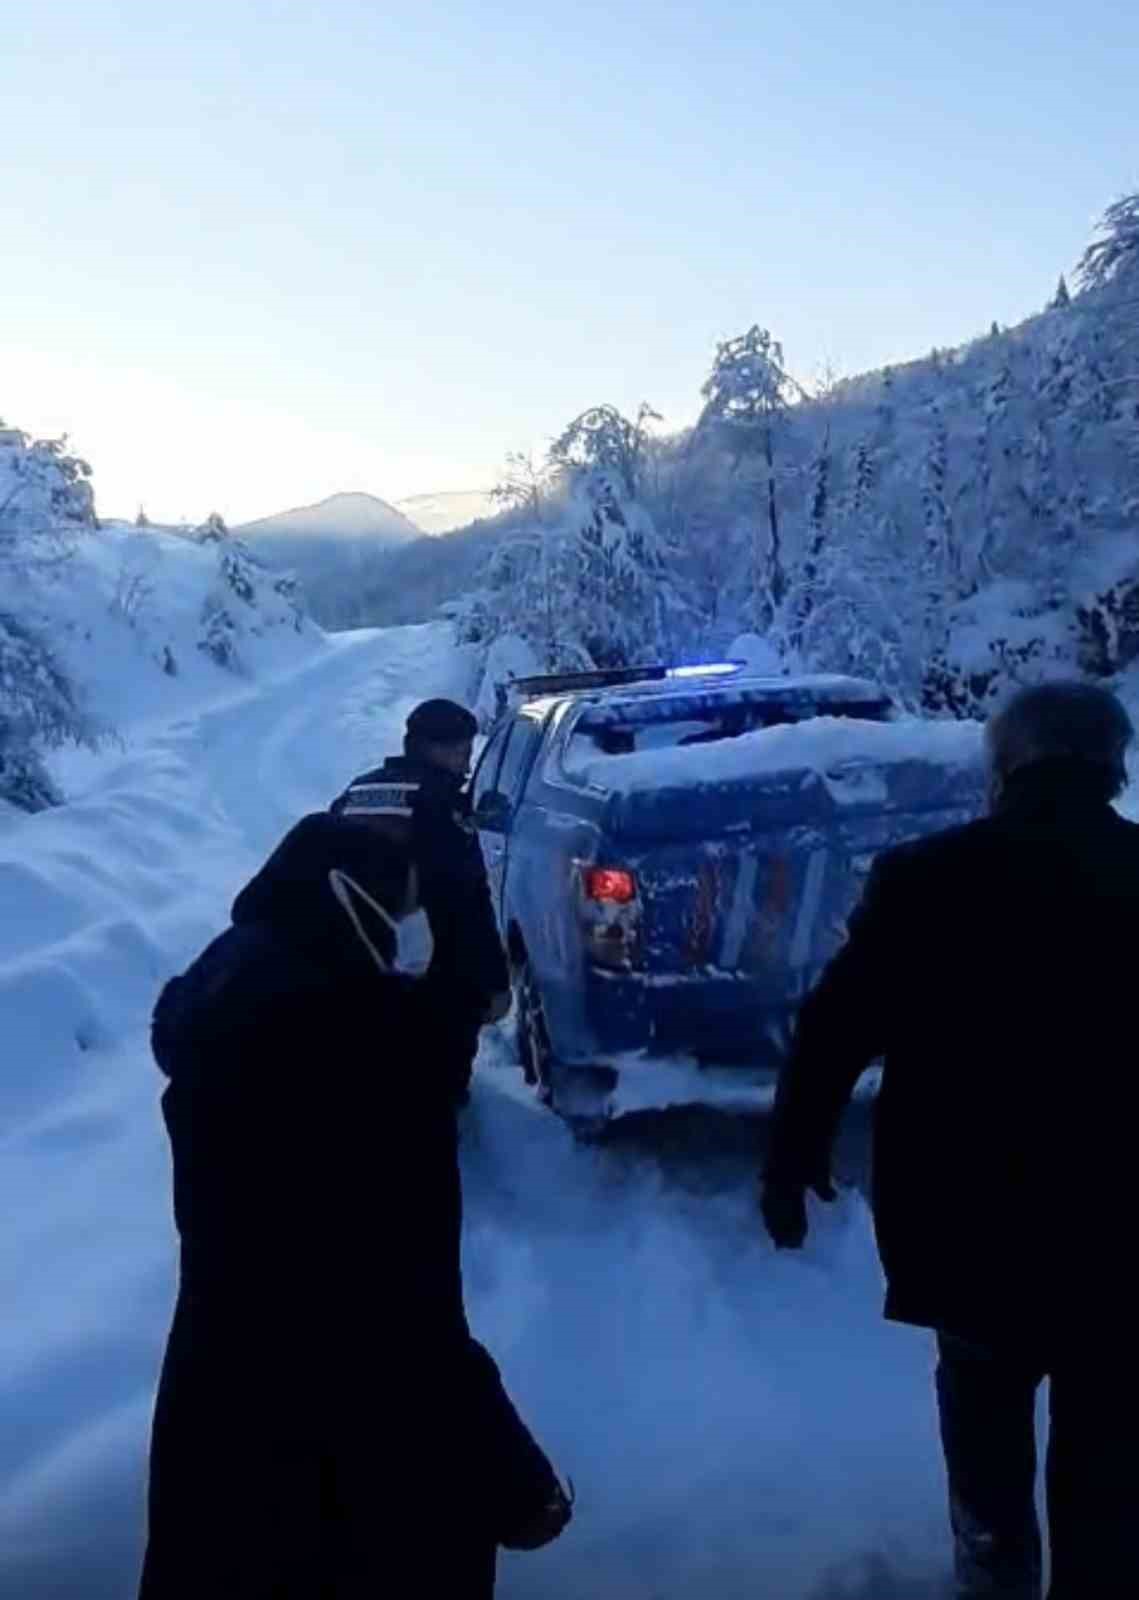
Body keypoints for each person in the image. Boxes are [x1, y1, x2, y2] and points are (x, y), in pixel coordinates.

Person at [760, 680, 1139, 1600]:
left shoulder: (924, 878)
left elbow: (834, 1028)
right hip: (1122, 1234)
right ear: (1111, 765)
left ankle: (993, 1570)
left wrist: (792, 1155)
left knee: (983, 1425)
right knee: (1109, 1452)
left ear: (1003, 766)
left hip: (969, 1227)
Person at [139, 807, 571, 1599]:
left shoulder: (232, 1019)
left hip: (222, 1432)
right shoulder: (354, 1061)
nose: (416, 938)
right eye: (408, 913)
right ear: (348, 902)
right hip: (356, 1473)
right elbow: (403, 1323)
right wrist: (512, 1475)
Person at [332, 698, 512, 1102]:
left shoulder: (358, 789)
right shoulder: (442, 805)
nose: (467, 767)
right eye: (463, 753)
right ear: (436, 749)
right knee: (438, 1076)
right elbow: (468, 903)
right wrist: (494, 982)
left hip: (350, 956)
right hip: (427, 964)